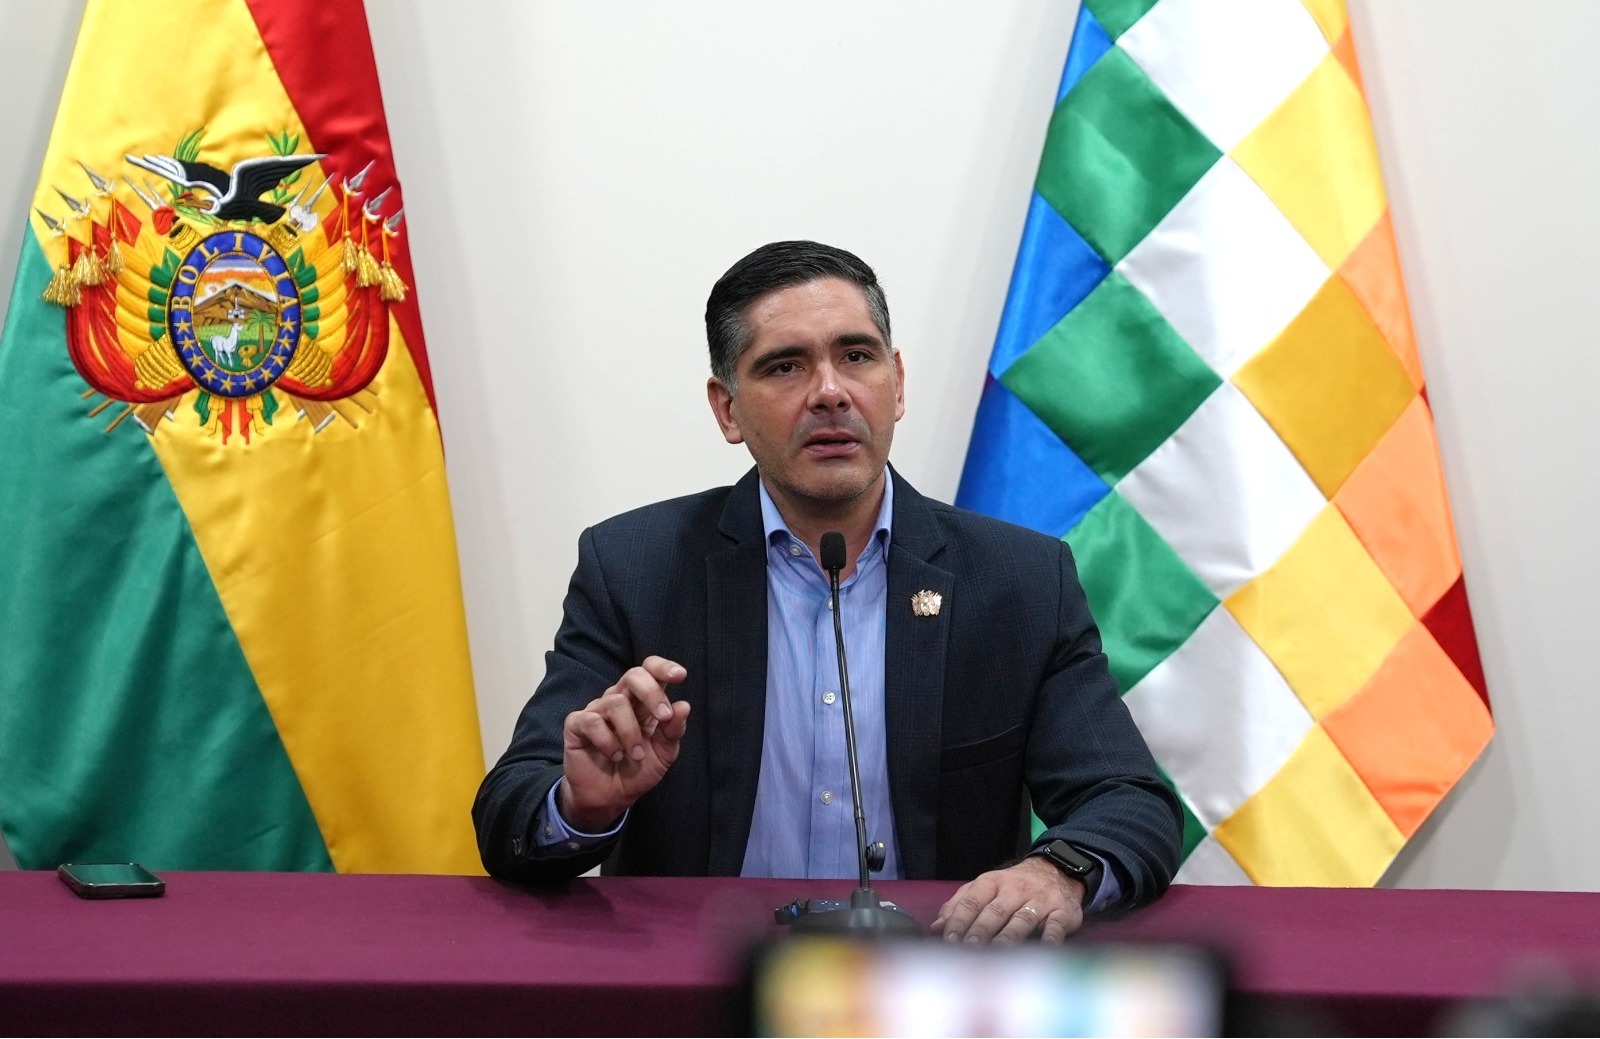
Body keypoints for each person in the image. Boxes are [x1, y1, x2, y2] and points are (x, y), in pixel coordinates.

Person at [474, 241, 1182, 943]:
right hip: (703, 978)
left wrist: (1057, 872)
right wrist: (582, 807)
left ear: (897, 384)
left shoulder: (1017, 580)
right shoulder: (636, 569)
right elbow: (510, 806)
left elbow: (1127, 799)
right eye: (785, 366)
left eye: (857, 356)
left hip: (930, 980)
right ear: (727, 409)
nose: (830, 392)